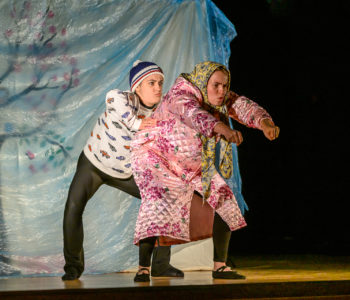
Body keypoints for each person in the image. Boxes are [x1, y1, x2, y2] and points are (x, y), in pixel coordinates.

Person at [130, 61, 280, 282]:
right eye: (216, 86)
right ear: (202, 83)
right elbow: (194, 115)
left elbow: (242, 105)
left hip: (192, 162)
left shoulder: (219, 96)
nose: (221, 92)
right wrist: (222, 129)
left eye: (225, 86)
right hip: (157, 157)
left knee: (224, 200)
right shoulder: (179, 96)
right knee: (157, 205)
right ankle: (143, 268)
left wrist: (265, 123)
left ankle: (220, 266)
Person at [62, 60, 184, 280]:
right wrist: (137, 124)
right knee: (73, 207)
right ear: (137, 87)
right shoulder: (122, 98)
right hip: (94, 163)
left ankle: (159, 264)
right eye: (151, 83)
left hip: (126, 171)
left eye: (160, 83)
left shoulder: (162, 110)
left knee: (165, 200)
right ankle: (73, 267)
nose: (157, 87)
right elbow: (112, 98)